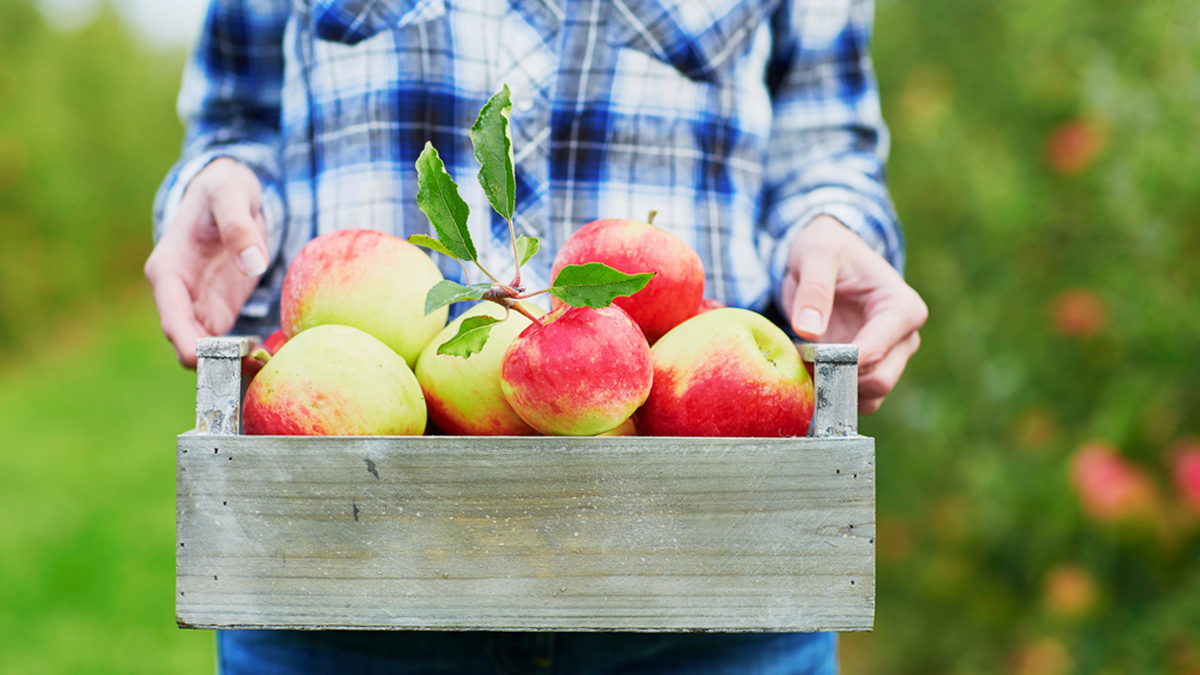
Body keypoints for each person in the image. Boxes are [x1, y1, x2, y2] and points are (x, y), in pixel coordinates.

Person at [146, 0, 928, 672]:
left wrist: (835, 230)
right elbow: (237, 115)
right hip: (337, 572)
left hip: (713, 574)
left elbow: (824, 141)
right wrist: (219, 186)